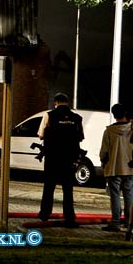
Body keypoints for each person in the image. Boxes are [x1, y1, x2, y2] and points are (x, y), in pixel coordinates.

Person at [37, 92, 84, 227]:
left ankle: (45, 214)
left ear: (55, 102)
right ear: (67, 103)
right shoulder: (77, 118)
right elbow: (80, 137)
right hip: (69, 159)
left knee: (49, 187)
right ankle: (69, 216)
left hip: (52, 157)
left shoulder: (49, 115)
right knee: (68, 189)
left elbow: (41, 135)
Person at [99, 103, 133, 231]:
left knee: (115, 196)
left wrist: (103, 161)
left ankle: (115, 222)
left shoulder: (109, 131)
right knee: (129, 196)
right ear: (125, 113)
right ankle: (129, 222)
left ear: (114, 115)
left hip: (113, 168)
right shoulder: (132, 129)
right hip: (129, 168)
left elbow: (104, 151)